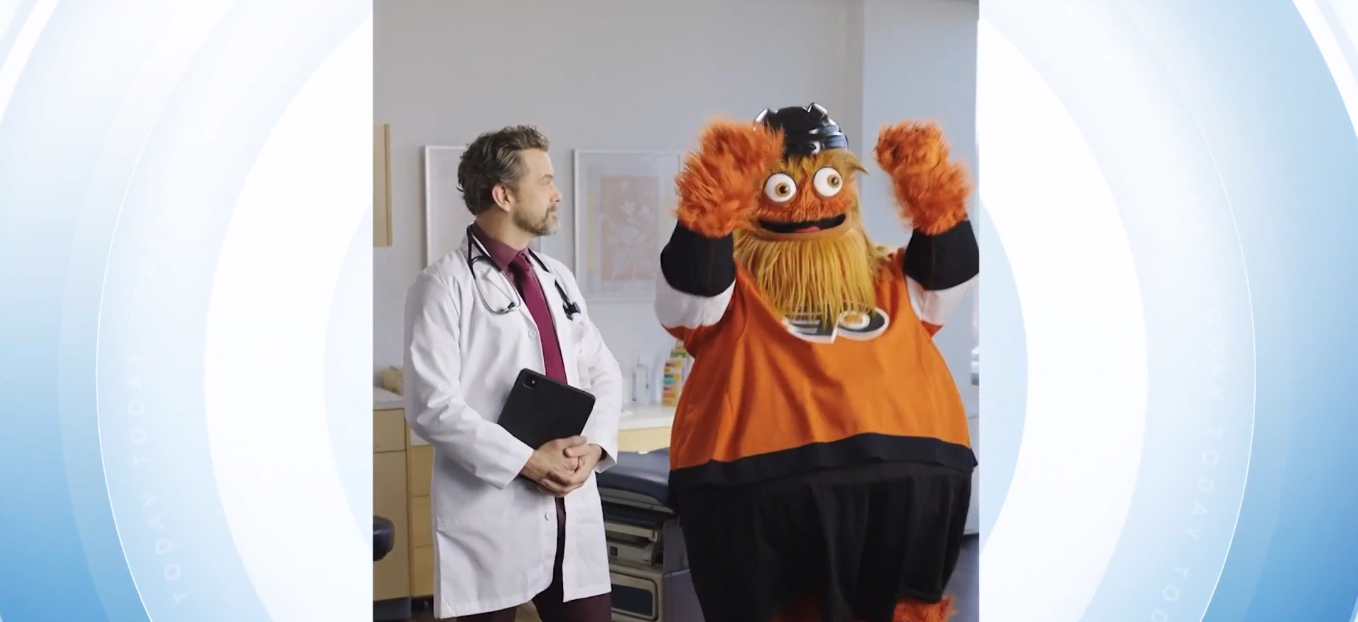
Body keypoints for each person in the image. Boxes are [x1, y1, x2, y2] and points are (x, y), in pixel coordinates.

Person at [653, 104, 979, 622]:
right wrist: (710, 204)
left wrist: (932, 191)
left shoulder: (890, 276)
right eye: (781, 185)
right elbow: (690, 289)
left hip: (899, 478)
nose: (807, 200)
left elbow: (947, 274)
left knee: (901, 606)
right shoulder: (734, 290)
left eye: (827, 181)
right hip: (766, 484)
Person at [404, 125, 623, 622]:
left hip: (572, 506)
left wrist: (594, 447)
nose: (557, 192)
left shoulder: (556, 278)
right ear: (503, 195)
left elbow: (603, 371)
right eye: (545, 180)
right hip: (491, 514)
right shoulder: (443, 285)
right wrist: (528, 461)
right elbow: (432, 407)